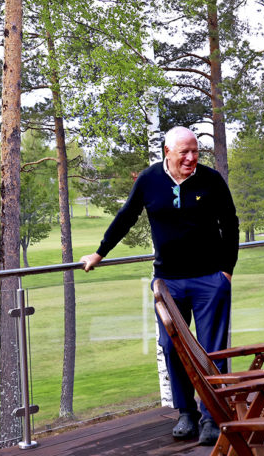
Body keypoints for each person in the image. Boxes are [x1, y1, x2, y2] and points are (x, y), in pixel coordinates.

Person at [79, 126, 239, 446]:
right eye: (185, 152)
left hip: (210, 280)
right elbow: (126, 217)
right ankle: (186, 414)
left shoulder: (211, 180)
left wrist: (226, 271)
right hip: (167, 282)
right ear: (167, 151)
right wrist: (100, 252)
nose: (192, 158)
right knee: (171, 346)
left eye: (196, 151)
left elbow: (230, 221)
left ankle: (212, 417)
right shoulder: (149, 180)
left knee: (213, 350)